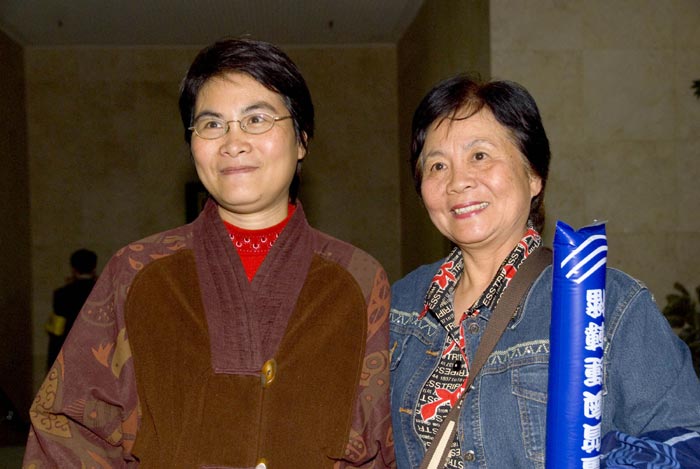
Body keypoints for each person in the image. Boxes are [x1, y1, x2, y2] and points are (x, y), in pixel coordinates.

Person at [24, 38, 394, 468]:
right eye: (212, 124)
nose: (233, 142)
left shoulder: (357, 279)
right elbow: (67, 428)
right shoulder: (138, 272)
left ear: (301, 140)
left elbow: (382, 440)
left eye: (256, 119)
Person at [389, 74, 700, 468]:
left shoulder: (605, 302)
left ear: (533, 175)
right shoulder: (400, 303)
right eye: (437, 165)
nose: (457, 182)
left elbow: (687, 442)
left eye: (479, 156)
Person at [45, 248, 98, 370]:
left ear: (73, 269)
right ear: (94, 268)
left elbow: (57, 331)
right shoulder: (105, 292)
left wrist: (51, 366)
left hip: (72, 356)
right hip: (98, 353)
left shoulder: (62, 294)